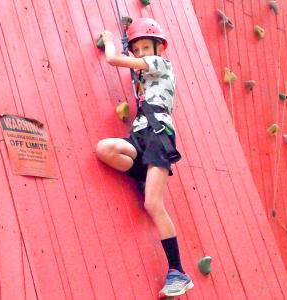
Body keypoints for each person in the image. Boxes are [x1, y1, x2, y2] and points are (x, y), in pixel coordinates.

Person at [95, 17, 194, 298]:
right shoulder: (143, 71)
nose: (140, 54)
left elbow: (114, 60)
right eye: (136, 49)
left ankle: (178, 272)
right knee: (105, 149)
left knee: (153, 203)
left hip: (158, 135)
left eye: (145, 48)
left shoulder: (161, 64)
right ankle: (141, 174)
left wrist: (110, 41)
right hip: (140, 135)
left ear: (157, 48)